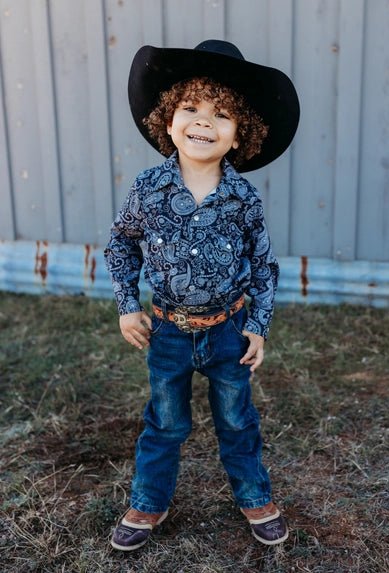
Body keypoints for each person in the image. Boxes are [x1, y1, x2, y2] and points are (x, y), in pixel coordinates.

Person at [104, 40, 299, 551]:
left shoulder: (242, 198)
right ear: (168, 122)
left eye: (221, 114)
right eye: (190, 108)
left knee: (236, 419)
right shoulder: (148, 189)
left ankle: (254, 494)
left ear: (240, 136)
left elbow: (264, 265)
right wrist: (128, 306)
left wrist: (258, 324)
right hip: (167, 331)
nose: (203, 122)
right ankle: (148, 502)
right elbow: (121, 245)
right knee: (165, 422)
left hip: (229, 331)